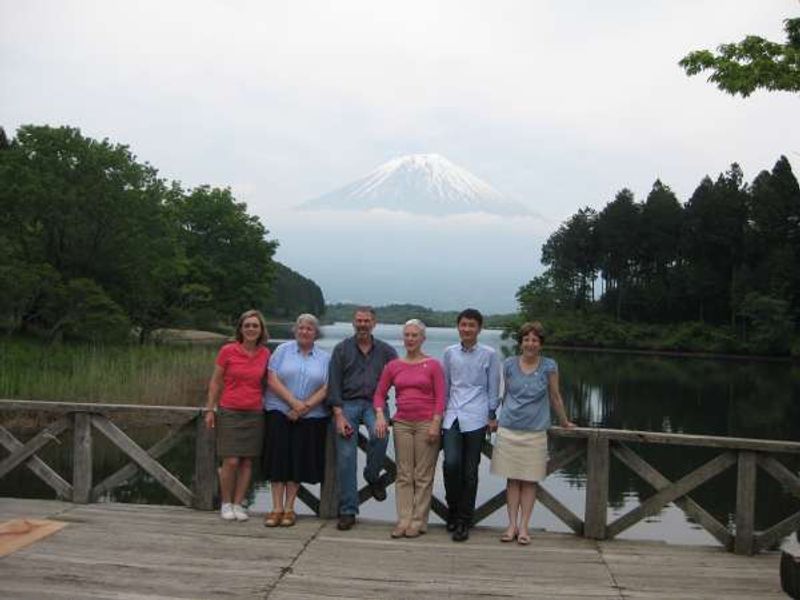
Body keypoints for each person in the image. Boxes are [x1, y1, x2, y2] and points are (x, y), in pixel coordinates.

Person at [491, 321, 575, 545]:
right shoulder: (508, 364)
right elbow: (501, 394)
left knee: (529, 481)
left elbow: (555, 396)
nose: (530, 344)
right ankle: (511, 526)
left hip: (536, 432)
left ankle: (525, 527)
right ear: (520, 343)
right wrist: (493, 417)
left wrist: (565, 421)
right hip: (509, 429)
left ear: (541, 344)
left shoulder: (549, 366)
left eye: (535, 340)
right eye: (526, 340)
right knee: (512, 481)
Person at [327, 306, 398, 530]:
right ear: (353, 323)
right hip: (347, 404)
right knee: (347, 457)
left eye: (367, 321)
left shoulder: (386, 351)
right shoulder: (341, 350)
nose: (362, 324)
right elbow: (334, 385)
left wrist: (402, 409)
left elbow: (401, 380)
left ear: (374, 324)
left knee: (381, 434)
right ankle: (348, 510)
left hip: (375, 404)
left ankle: (371, 473)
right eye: (359, 320)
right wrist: (338, 416)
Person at [374, 319, 445, 538]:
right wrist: (379, 415)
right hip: (402, 423)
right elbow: (379, 394)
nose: (411, 339)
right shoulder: (393, 366)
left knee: (423, 475)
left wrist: (436, 422)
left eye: (415, 335)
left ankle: (418, 520)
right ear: (403, 338)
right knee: (404, 474)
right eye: (407, 335)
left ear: (423, 338)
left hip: (426, 423)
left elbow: (441, 397)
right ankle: (403, 519)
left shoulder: (433, 365)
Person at [261, 313, 330, 528]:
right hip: (279, 412)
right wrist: (293, 403)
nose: (304, 331)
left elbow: (327, 387)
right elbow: (271, 378)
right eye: (301, 327)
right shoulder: (282, 350)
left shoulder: (325, 357)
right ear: (295, 330)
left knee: (298, 461)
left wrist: (305, 407)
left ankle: (290, 508)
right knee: (278, 459)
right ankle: (276, 508)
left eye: (309, 328)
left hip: (310, 417)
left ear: (316, 333)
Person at [204, 309, 270, 522]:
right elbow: (215, 381)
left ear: (261, 330)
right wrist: (210, 409)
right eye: (247, 325)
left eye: (255, 326)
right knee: (231, 461)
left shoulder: (265, 354)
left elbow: (270, 383)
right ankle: (225, 503)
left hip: (255, 412)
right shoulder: (228, 350)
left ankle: (239, 504)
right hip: (230, 411)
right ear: (240, 329)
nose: (251, 329)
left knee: (247, 462)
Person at [442, 308, 501, 542]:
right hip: (452, 415)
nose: (467, 329)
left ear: (479, 328)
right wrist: (440, 414)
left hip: (477, 416)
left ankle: (464, 520)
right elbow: (445, 385)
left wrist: (492, 414)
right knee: (450, 464)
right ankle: (452, 510)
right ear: (458, 327)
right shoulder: (449, 353)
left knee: (470, 471)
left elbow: (493, 386)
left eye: (471, 325)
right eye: (463, 325)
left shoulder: (489, 354)